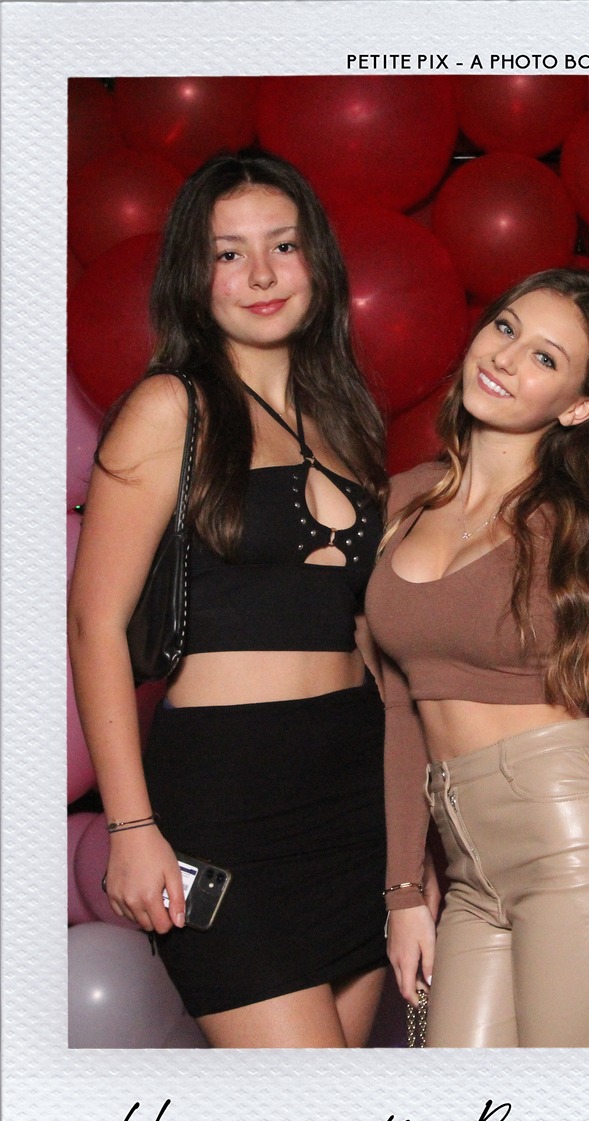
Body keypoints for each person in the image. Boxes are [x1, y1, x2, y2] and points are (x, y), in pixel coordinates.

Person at [68, 148, 390, 1048]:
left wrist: (410, 846)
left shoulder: (348, 417)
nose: (261, 274)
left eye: (283, 245)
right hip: (228, 801)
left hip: (355, 795)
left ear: (316, 259)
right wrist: (132, 825)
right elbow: (94, 624)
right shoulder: (171, 408)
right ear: (193, 274)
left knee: (341, 1115)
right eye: (228, 253)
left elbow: (369, 630)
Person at [365, 268, 589, 1048]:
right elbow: (401, 709)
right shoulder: (401, 501)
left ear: (577, 406)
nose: (505, 357)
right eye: (505, 328)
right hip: (467, 863)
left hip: (579, 845)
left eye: (544, 357)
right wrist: (401, 889)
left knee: (568, 1115)